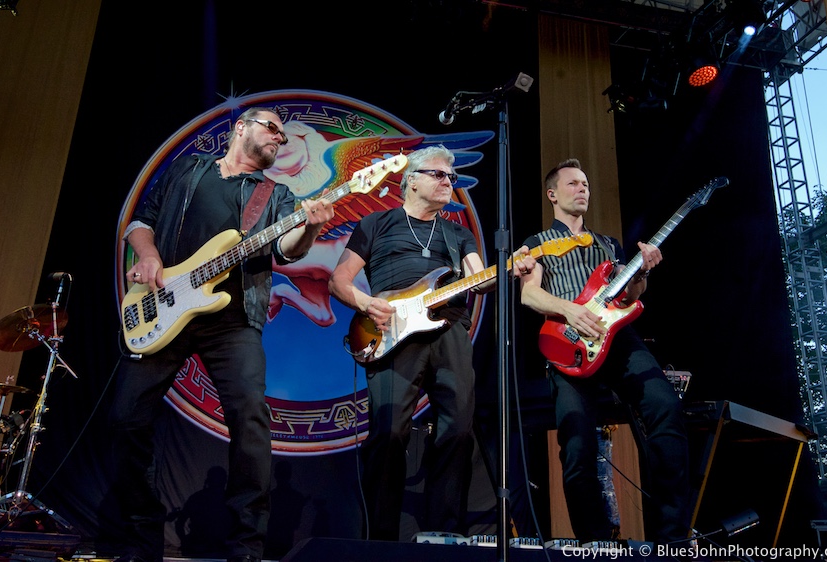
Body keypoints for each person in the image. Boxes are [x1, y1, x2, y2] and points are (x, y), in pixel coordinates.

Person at [106, 106, 333, 562]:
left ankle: (246, 546)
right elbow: (139, 223)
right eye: (272, 128)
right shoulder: (187, 169)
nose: (279, 139)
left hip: (232, 320)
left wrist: (310, 228)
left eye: (284, 136)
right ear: (240, 128)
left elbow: (286, 252)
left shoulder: (276, 193)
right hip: (162, 308)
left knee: (251, 421)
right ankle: (141, 537)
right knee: (125, 418)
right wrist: (148, 257)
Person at [328, 145, 531, 541]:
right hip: (390, 332)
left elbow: (482, 281)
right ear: (412, 180)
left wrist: (510, 268)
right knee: (388, 433)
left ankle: (444, 534)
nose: (448, 183)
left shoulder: (458, 234)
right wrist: (369, 303)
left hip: (449, 329)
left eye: (452, 178)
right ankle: (381, 538)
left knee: (457, 431)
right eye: (439, 175)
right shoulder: (376, 224)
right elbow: (339, 280)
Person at [518, 159, 690, 546]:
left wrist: (641, 273)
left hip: (617, 339)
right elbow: (529, 293)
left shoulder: (608, 245)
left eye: (586, 184)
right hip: (569, 342)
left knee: (666, 409)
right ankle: (594, 541)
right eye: (573, 183)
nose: (583, 189)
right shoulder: (537, 243)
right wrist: (569, 310)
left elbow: (630, 296)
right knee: (577, 442)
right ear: (552, 194)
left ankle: (672, 537)